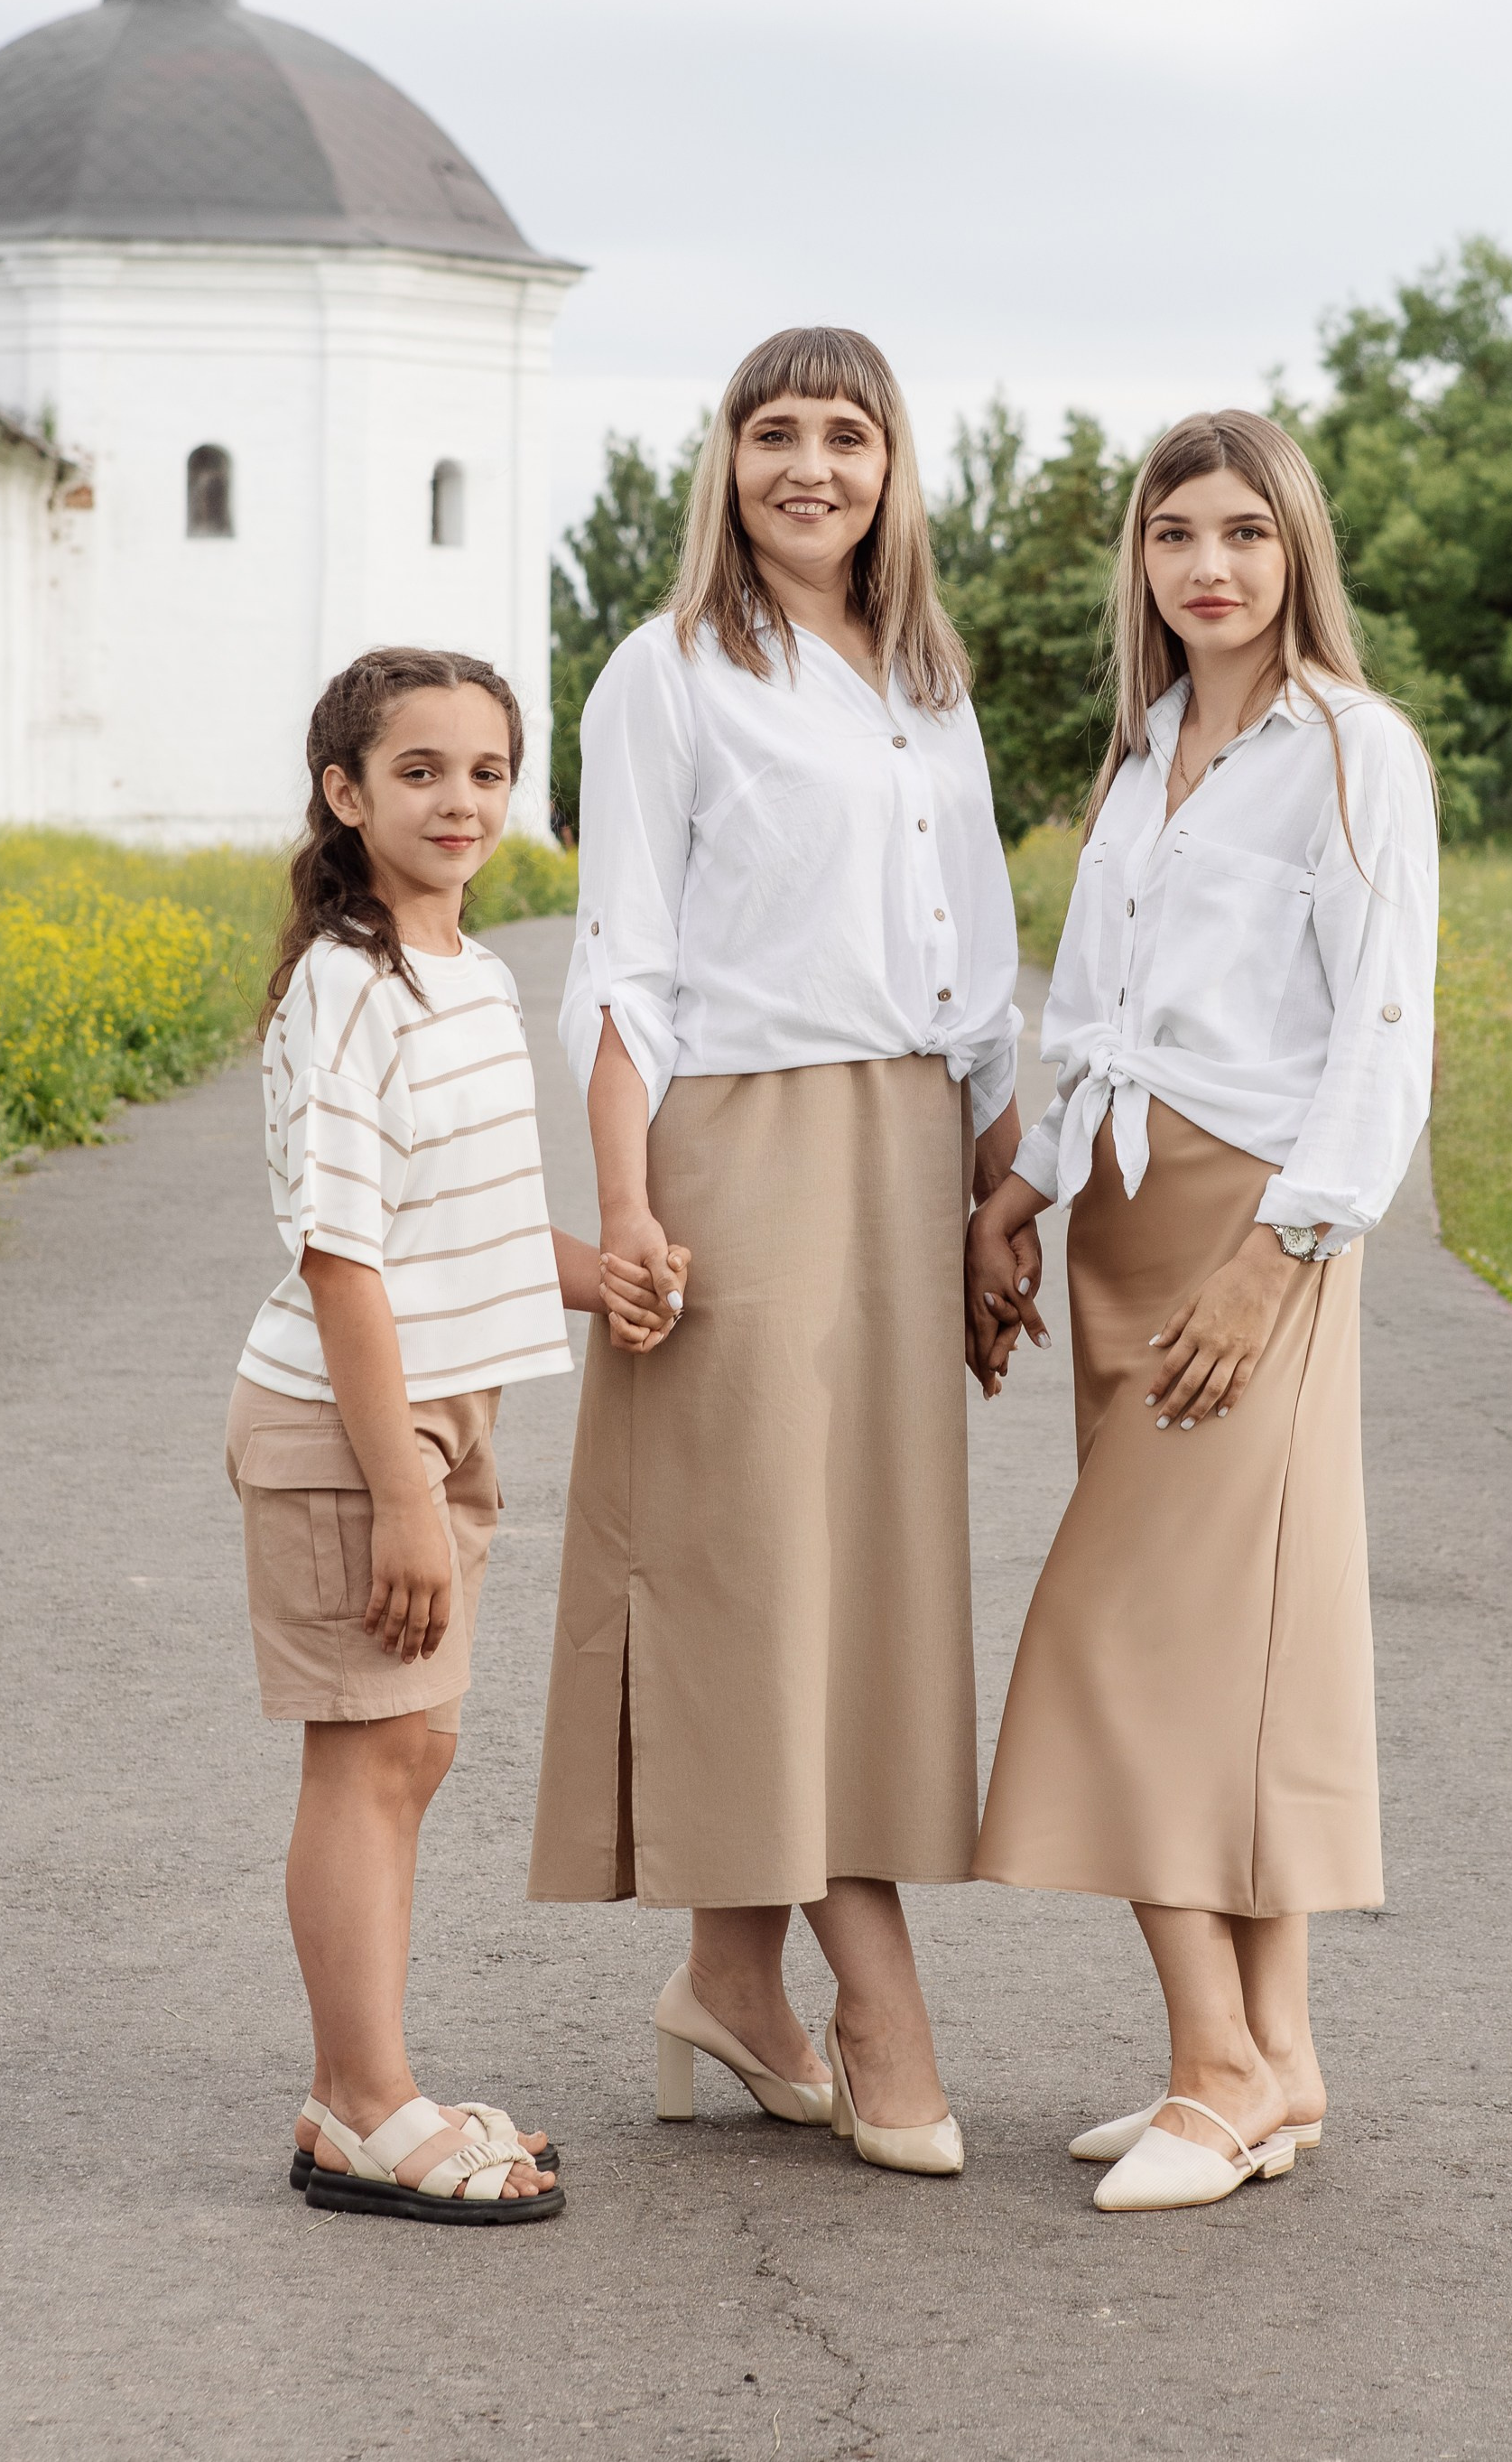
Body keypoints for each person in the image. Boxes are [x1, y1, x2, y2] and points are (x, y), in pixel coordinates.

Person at [528, 326, 1023, 2179]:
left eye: (847, 434)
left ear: (894, 468)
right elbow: (626, 966)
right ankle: (878, 2000)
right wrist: (630, 1201)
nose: (809, 465)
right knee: (749, 1572)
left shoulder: (926, 684)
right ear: (725, 460)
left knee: (864, 1585)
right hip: (735, 1143)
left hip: (910, 1154)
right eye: (773, 432)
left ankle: (731, 1985)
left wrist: (994, 1198)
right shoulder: (664, 676)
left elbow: (978, 969)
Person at [967, 410, 1438, 2214]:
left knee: (1114, 1632)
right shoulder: (1149, 747)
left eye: (1245, 529)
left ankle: (1212, 2064)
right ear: (1144, 561)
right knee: (1228, 1648)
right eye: (1178, 533)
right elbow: (1089, 1015)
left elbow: (1385, 1025)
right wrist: (1021, 1189)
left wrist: (1281, 1251)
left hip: (1255, 1226)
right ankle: (1282, 2060)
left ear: (1296, 548)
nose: (1211, 564)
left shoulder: (1347, 753)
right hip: (1115, 1225)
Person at [227, 645, 675, 2226]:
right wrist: (400, 1490)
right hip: (353, 1421)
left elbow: (451, 1227)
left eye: (486, 770)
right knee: (363, 1760)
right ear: (345, 796)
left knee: (409, 1749)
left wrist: (594, 1272)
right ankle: (361, 2105)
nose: (459, 800)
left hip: (434, 1413)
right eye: (418, 772)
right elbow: (344, 1262)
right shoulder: (347, 987)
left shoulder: (472, 975)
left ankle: (367, 2078)